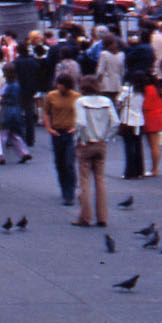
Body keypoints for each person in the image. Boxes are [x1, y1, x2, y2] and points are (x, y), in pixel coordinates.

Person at [73, 75, 120, 227]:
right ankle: (102, 217)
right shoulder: (106, 101)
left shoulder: (80, 102)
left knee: (85, 181)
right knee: (100, 180)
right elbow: (115, 123)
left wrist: (83, 139)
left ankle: (85, 217)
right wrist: (107, 137)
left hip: (87, 143)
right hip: (101, 144)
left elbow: (80, 123)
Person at [42, 72, 80, 206]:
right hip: (57, 132)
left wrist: (76, 128)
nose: (59, 87)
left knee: (69, 163)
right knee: (59, 163)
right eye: (58, 84)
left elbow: (81, 114)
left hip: (70, 133)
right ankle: (64, 188)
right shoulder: (51, 96)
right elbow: (46, 112)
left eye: (62, 85)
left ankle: (70, 192)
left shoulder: (76, 97)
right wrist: (49, 128)